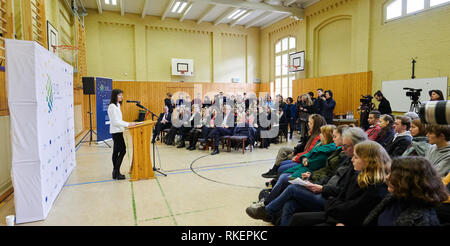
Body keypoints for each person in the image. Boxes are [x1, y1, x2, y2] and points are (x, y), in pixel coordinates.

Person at [247, 127, 367, 226]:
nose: (343, 148)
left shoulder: (353, 163)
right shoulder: (345, 157)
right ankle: (268, 207)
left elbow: (342, 192)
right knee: (290, 202)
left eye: (346, 145)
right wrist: (313, 177)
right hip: (321, 185)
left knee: (290, 185)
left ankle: (267, 209)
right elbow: (329, 174)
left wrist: (320, 185)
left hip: (328, 197)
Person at [289, 140, 390, 226]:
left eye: (356, 157)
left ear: (368, 161)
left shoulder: (376, 187)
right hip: (337, 212)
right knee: (295, 213)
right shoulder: (359, 175)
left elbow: (353, 211)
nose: (352, 159)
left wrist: (331, 205)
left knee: (298, 215)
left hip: (345, 219)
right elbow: (342, 195)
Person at [363, 157, 448, 226]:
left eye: (393, 175)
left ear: (410, 182)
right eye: (388, 173)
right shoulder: (395, 198)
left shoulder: (424, 220)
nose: (387, 177)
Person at [261, 114, 327, 178]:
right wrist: (296, 150)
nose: (308, 124)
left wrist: (297, 155)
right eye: (308, 122)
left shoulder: (316, 137)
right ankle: (275, 170)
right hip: (301, 152)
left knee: (286, 158)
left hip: (303, 155)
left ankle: (277, 172)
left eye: (310, 123)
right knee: (283, 149)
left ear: (315, 125)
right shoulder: (311, 133)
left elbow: (308, 152)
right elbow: (302, 145)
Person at [107, 89, 137, 180]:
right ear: (115, 96)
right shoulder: (112, 106)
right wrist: (128, 124)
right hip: (116, 132)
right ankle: (116, 171)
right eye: (119, 95)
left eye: (121, 95)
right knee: (123, 151)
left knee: (116, 152)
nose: (121, 97)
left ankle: (115, 172)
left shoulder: (118, 105)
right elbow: (115, 122)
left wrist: (128, 124)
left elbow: (119, 120)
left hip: (119, 131)